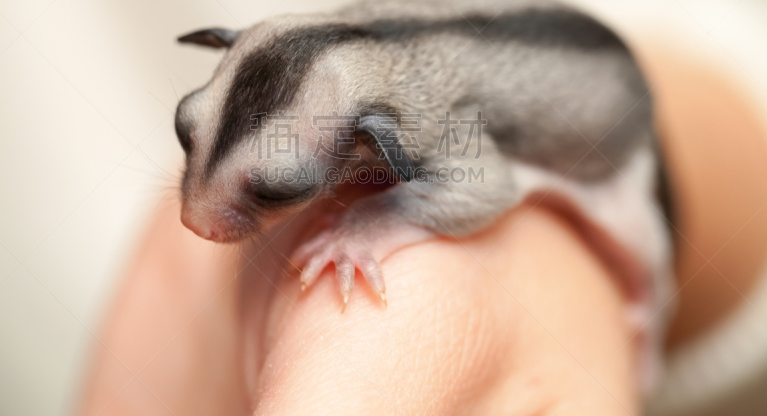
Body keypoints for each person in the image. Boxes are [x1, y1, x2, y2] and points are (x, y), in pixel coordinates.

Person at [77, 44, 767, 415]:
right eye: (188, 126)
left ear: (375, 142)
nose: (194, 217)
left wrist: (377, 223)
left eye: (274, 184)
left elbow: (485, 186)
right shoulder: (340, 90)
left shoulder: (423, 128)